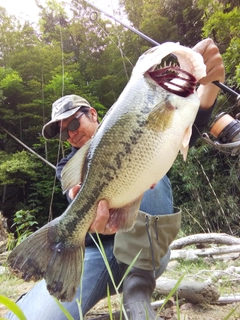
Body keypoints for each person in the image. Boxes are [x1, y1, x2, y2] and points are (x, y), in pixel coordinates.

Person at [6, 38, 225, 320]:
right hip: (94, 254)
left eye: (73, 123)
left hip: (144, 253)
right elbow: (75, 192)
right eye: (64, 132)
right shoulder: (67, 164)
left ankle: (138, 290)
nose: (71, 134)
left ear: (93, 114)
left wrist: (209, 86)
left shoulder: (129, 116)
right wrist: (85, 203)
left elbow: (183, 128)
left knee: (153, 179)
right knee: (28, 318)